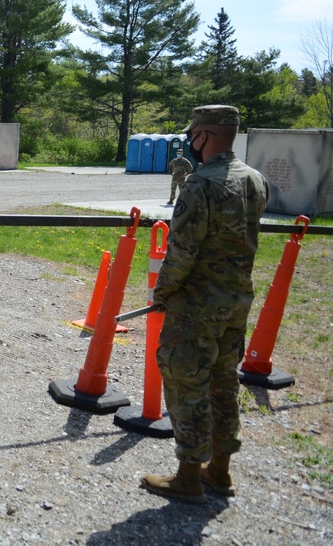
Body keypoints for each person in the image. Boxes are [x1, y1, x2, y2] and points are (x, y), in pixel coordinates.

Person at [141, 105, 269, 504]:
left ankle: (188, 477)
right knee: (223, 383)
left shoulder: (201, 185)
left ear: (205, 136)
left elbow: (181, 252)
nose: (190, 142)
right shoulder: (255, 180)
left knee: (186, 384)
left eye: (193, 134)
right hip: (235, 301)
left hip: (196, 307)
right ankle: (220, 470)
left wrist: (160, 295)